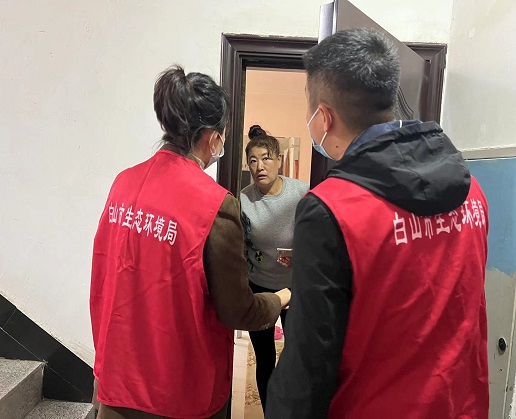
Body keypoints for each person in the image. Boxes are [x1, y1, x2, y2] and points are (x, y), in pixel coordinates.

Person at [266, 29, 489, 419]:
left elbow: (308, 365)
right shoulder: (470, 190)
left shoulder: (332, 210)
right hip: (462, 406)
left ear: (324, 117)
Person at [90, 65, 290, 419]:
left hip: (117, 381)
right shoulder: (214, 203)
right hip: (179, 392)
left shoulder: (123, 184)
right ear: (212, 137)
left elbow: (105, 274)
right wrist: (283, 296)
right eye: (223, 136)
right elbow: (237, 310)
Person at [240, 125, 309, 411]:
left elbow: (317, 239)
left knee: (296, 355)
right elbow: (240, 246)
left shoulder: (302, 192)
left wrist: (301, 258)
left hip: (294, 288)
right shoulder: (243, 200)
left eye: (266, 158)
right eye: (253, 160)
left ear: (279, 160)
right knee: (265, 357)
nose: (259, 166)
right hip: (260, 288)